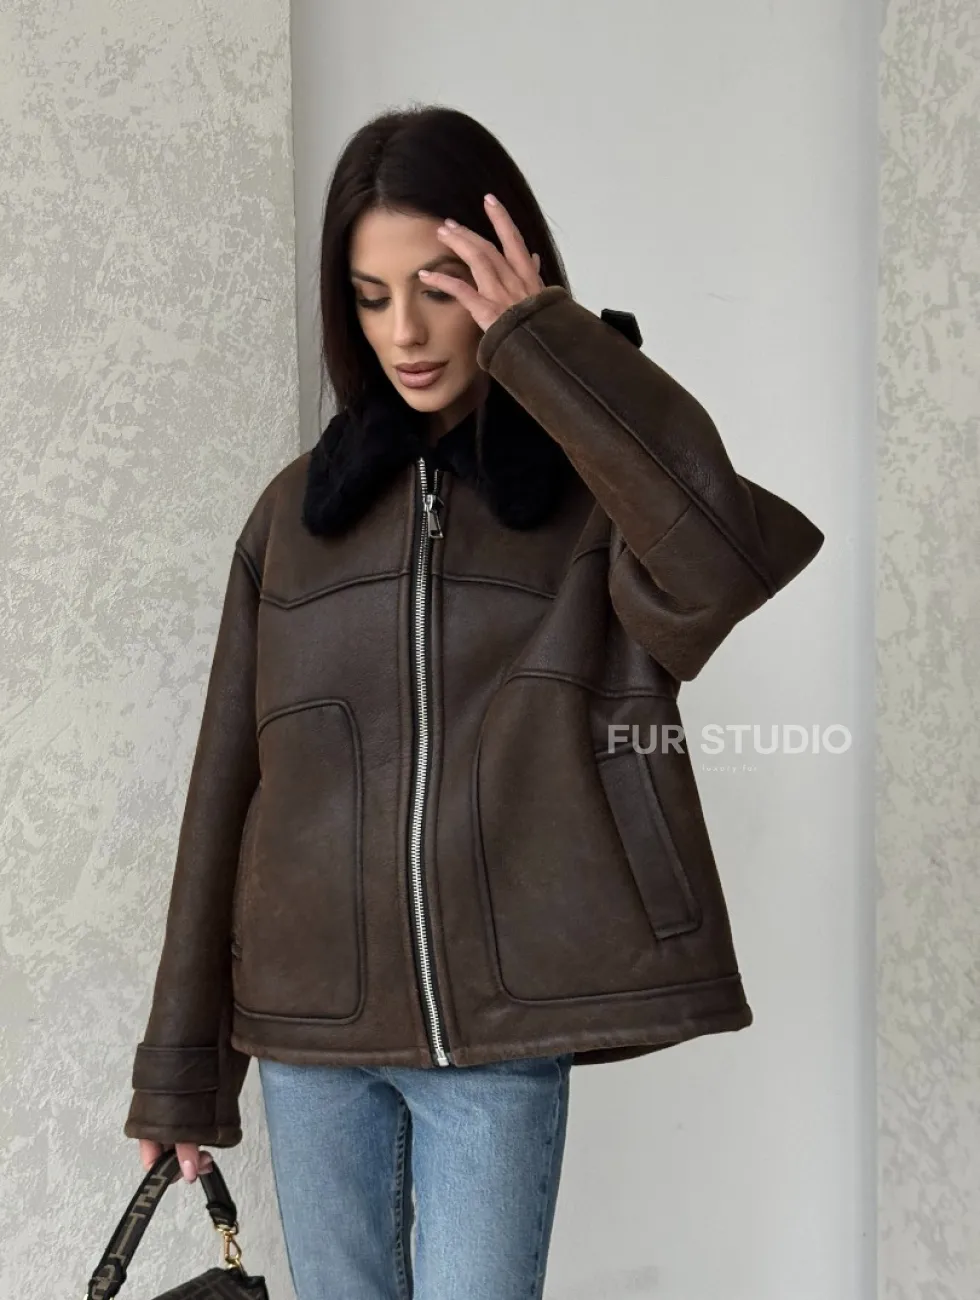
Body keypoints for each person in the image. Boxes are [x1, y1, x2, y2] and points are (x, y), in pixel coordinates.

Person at [124, 103, 824, 1299]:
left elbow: (719, 565)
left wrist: (546, 346)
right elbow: (226, 788)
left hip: (498, 1027)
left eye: (439, 288)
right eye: (369, 297)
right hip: (308, 1031)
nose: (404, 332)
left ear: (508, 276)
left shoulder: (598, 496)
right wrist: (182, 1070)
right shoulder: (294, 517)